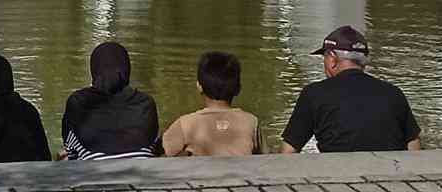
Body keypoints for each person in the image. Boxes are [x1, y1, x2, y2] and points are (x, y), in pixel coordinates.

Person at [280, 25, 420, 154]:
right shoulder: (393, 93)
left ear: (332, 59)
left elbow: (289, 151)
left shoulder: (314, 94)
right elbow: (413, 145)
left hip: (338, 175)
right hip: (389, 174)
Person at [61, 41, 161, 160]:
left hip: (93, 176)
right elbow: (153, 147)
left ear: (94, 70)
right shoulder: (146, 104)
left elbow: (71, 153)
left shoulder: (78, 102)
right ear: (127, 69)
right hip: (143, 176)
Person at [162, 51, 264, 157]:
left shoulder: (185, 124)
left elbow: (164, 156)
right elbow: (264, 158)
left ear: (199, 86)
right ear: (238, 89)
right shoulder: (251, 122)